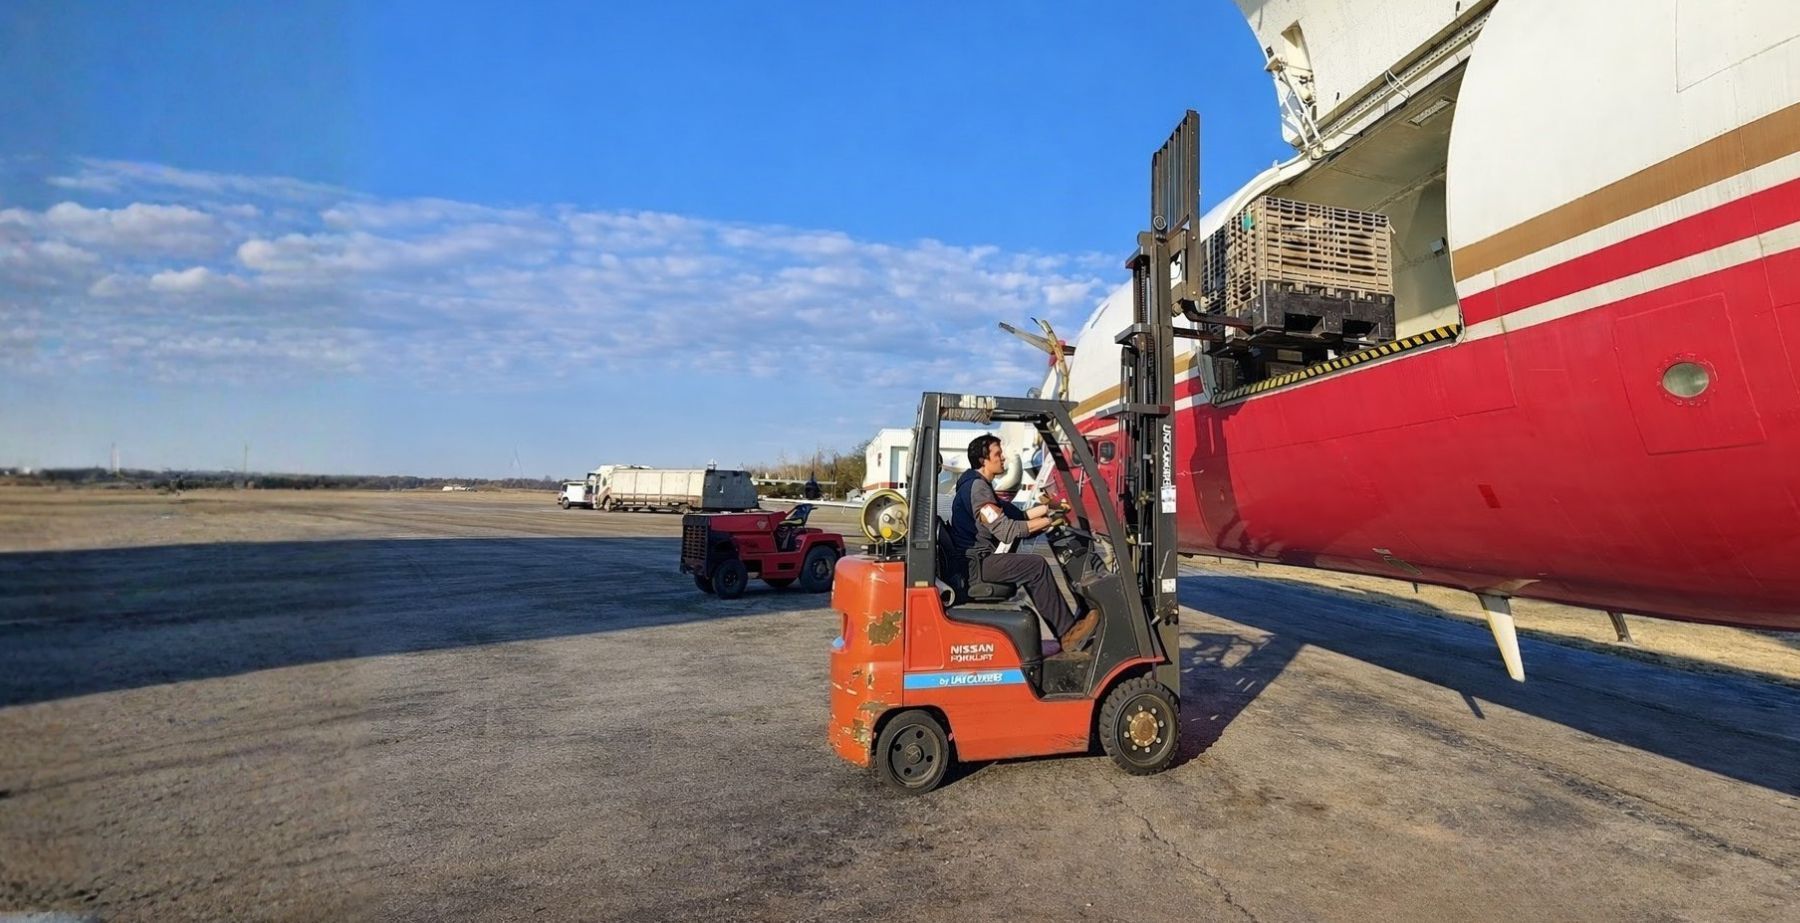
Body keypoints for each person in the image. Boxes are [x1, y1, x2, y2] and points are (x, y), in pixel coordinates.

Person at [949, 434, 1100, 651]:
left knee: (1032, 564)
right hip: (976, 565)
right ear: (983, 460)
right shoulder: (977, 489)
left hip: (978, 560)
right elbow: (1006, 530)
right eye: (997, 454)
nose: (1003, 459)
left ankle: (1071, 623)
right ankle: (1068, 634)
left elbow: (1019, 516)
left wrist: (1052, 510)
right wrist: (1048, 521)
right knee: (1036, 566)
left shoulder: (981, 485)